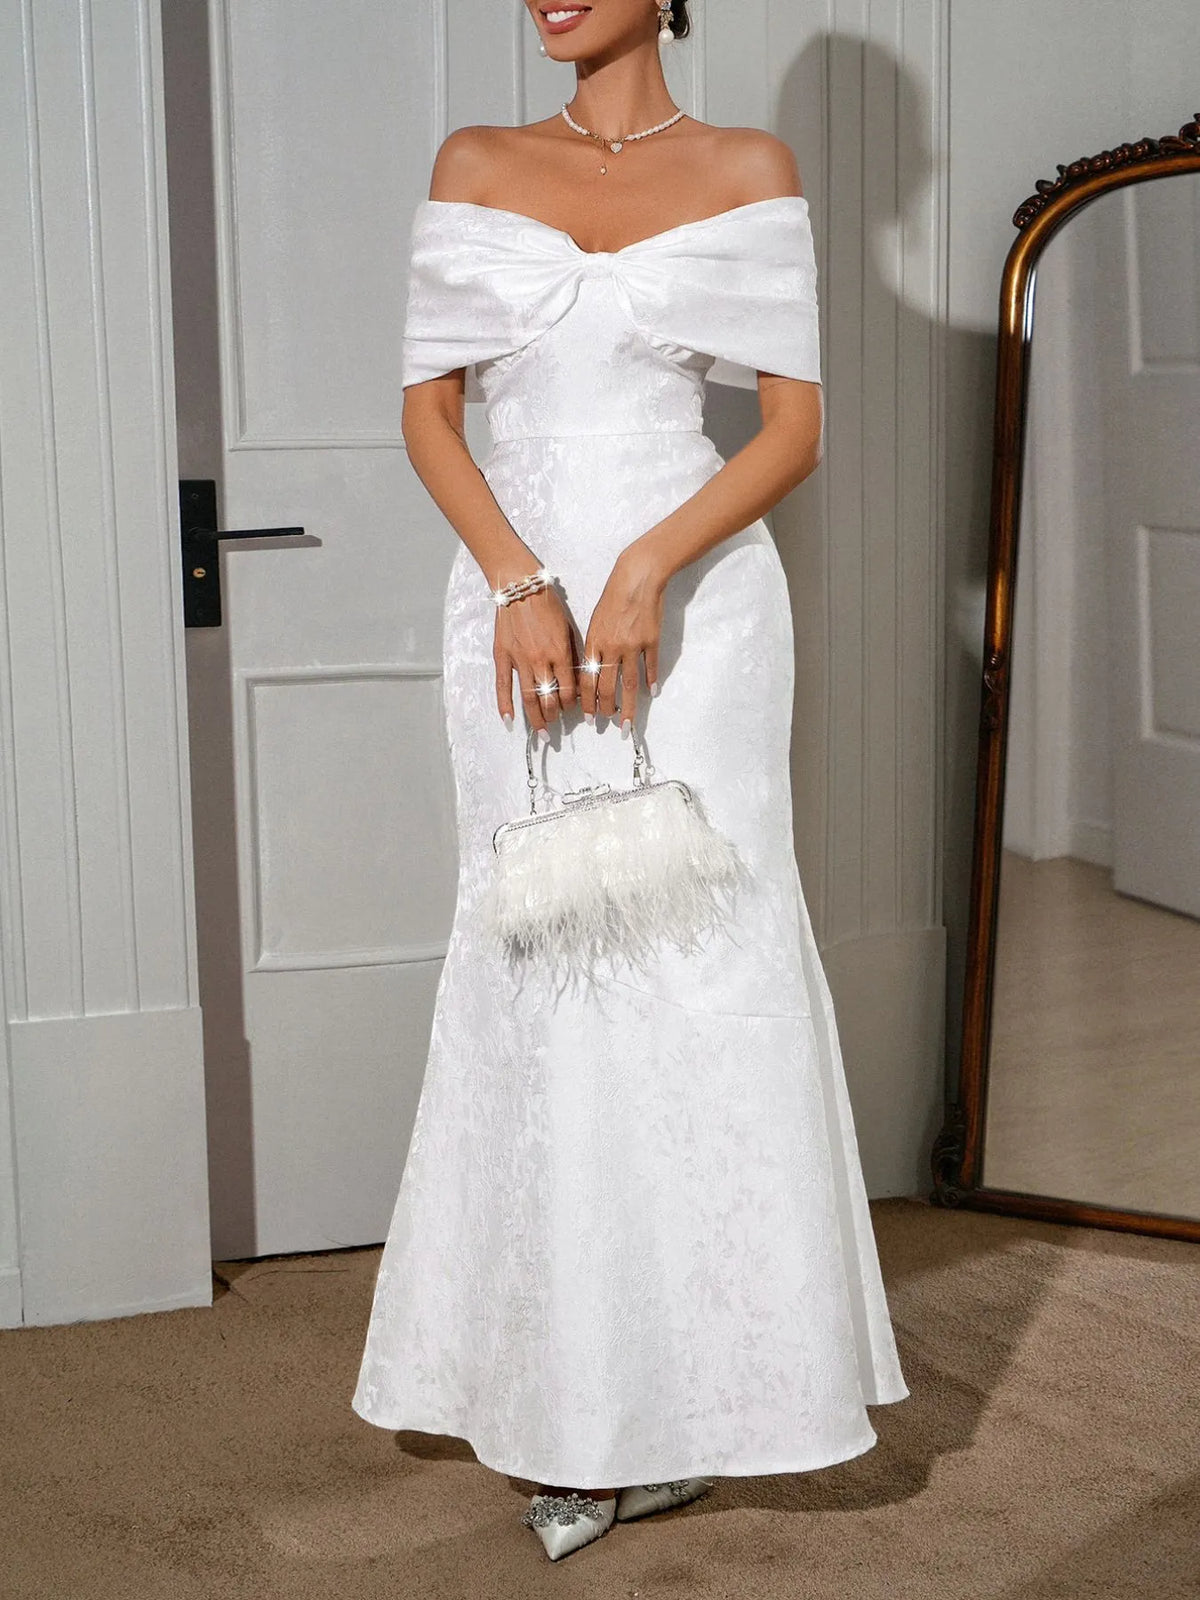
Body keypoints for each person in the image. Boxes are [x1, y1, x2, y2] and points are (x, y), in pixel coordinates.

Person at [352, 0, 909, 1562]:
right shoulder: (477, 157)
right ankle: (566, 1404)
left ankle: (721, 1394)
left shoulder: (746, 163)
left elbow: (790, 429)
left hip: (700, 613)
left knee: (704, 970)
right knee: (540, 968)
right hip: (517, 602)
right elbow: (429, 410)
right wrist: (524, 578)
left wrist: (652, 565)